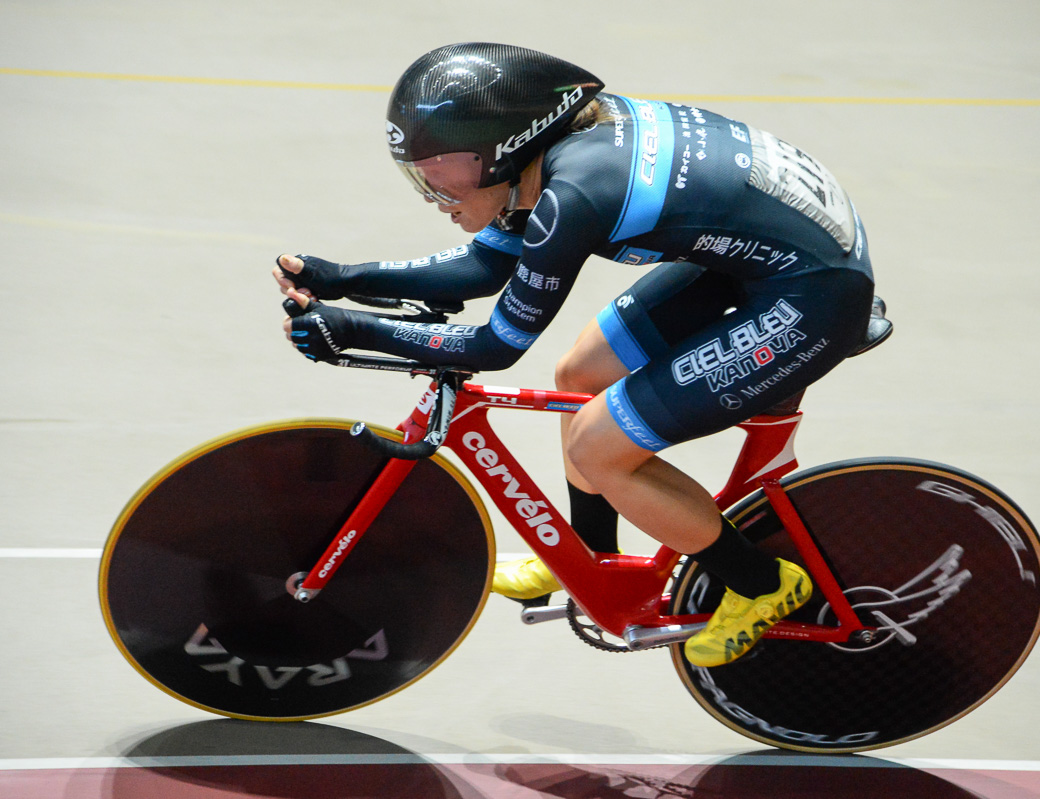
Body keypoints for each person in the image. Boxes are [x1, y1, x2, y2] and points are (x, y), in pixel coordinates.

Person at [273, 42, 875, 668]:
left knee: (598, 446)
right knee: (579, 374)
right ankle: (585, 553)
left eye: (440, 172)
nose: (432, 192)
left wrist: (356, 328)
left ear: (504, 150)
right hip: (763, 259)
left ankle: (764, 583)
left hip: (813, 293)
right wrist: (346, 278)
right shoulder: (552, 156)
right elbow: (484, 267)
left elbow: (494, 346)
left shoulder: (575, 196)